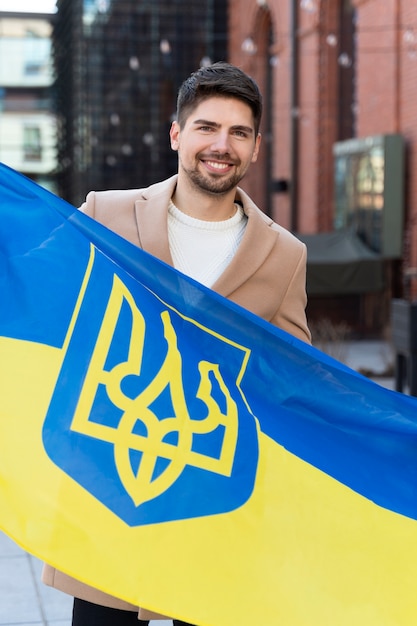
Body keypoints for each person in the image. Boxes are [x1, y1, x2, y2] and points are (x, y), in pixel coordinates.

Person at [42, 61, 311, 625]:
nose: (222, 145)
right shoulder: (105, 214)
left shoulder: (285, 255)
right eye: (207, 128)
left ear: (257, 147)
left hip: (214, 499)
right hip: (112, 488)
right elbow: (46, 308)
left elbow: (291, 376)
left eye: (239, 133)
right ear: (176, 135)